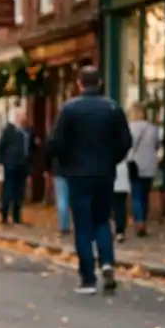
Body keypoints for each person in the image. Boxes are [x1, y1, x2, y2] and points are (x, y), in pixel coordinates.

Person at [48, 66, 131, 295]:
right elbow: (125, 141)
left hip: (77, 174)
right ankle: (106, 261)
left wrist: (66, 163)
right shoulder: (113, 108)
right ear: (100, 82)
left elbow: (55, 142)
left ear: (79, 84)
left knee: (83, 225)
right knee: (102, 220)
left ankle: (88, 278)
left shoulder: (70, 109)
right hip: (104, 172)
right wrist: (112, 160)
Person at [0, 108, 35, 225]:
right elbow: (1, 147)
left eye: (24, 115)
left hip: (23, 165)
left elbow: (32, 147)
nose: (24, 118)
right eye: (21, 115)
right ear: (16, 117)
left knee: (19, 192)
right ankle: (4, 215)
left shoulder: (28, 131)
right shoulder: (9, 131)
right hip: (10, 164)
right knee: (8, 190)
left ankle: (17, 217)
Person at [127, 102, 161, 237]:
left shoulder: (130, 127)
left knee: (136, 194)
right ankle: (144, 221)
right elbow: (157, 145)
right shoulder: (152, 128)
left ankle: (139, 220)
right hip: (150, 165)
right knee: (145, 194)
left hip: (135, 164)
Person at [113, 159, 130, 243]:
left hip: (110, 179)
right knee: (121, 206)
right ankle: (120, 231)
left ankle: (114, 229)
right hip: (122, 180)